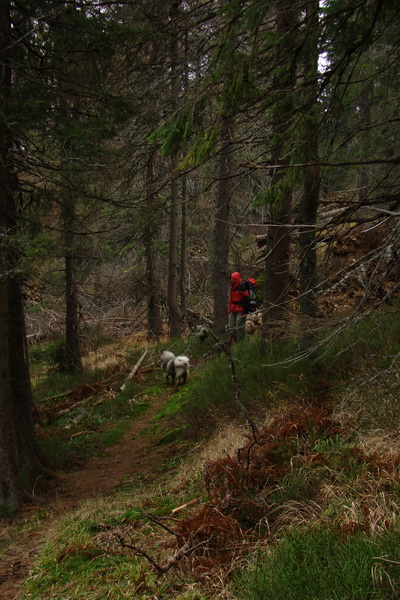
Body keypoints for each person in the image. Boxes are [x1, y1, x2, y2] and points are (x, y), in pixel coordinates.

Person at [228, 271, 250, 342]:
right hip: (233, 309)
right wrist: (230, 310)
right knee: (231, 328)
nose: (231, 280)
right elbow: (231, 299)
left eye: (233, 279)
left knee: (239, 328)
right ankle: (238, 342)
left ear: (236, 279)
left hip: (241, 310)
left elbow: (247, 299)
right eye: (231, 279)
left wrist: (245, 312)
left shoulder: (242, 287)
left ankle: (241, 345)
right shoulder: (232, 287)